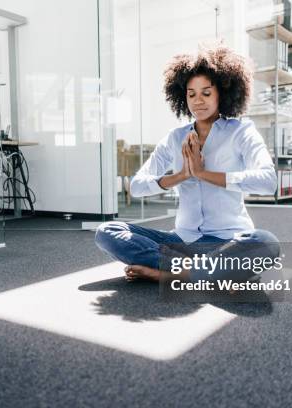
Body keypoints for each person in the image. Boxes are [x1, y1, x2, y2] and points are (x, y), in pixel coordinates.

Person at [95, 44, 280, 284]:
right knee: (106, 232)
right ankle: (206, 273)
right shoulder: (175, 137)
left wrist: (204, 173)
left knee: (265, 242)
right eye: (191, 94)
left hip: (227, 240)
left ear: (222, 93)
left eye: (206, 92)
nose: (198, 101)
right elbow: (137, 186)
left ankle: (171, 273)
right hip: (181, 243)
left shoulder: (242, 132)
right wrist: (182, 175)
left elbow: (268, 182)